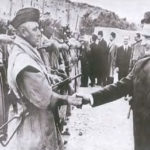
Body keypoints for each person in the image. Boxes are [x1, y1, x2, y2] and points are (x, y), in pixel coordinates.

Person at [7, 7, 82, 150]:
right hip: (34, 127)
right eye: (35, 29)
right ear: (23, 32)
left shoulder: (25, 51)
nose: (40, 33)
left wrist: (49, 77)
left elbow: (37, 79)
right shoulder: (24, 61)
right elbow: (46, 99)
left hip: (35, 122)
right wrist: (67, 99)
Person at [77, 11, 150, 150]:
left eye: (149, 38)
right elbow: (120, 87)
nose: (144, 43)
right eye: (144, 37)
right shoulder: (141, 65)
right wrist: (91, 97)